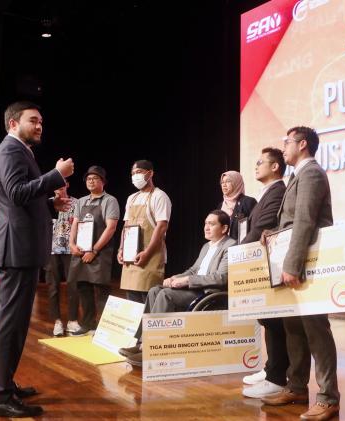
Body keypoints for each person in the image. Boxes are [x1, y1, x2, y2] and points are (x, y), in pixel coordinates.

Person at [0, 100, 74, 417]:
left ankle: (6, 385)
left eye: (41, 122)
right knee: (10, 325)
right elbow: (16, 193)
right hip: (16, 248)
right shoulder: (10, 151)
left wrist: (51, 202)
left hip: (21, 248)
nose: (39, 126)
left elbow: (22, 197)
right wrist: (56, 175)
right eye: (33, 120)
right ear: (13, 123)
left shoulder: (19, 151)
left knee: (16, 324)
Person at [261, 126, 339, 421]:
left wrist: (292, 264)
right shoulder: (297, 176)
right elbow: (291, 221)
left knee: (316, 331)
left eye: (287, 142)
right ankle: (296, 387)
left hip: (309, 264)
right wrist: (272, 232)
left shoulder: (312, 173)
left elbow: (305, 220)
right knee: (293, 327)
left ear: (303, 144)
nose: (283, 147)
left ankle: (328, 398)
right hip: (295, 261)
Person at [118, 209, 236, 366]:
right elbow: (193, 270)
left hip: (207, 293)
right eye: (205, 223)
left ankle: (152, 348)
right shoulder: (207, 246)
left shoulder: (230, 246)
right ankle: (141, 343)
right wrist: (176, 278)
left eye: (212, 224)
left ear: (224, 228)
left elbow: (221, 278)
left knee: (166, 295)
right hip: (194, 288)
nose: (206, 228)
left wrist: (187, 280)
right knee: (155, 290)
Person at [240, 147, 289, 399]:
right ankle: (271, 368)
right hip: (260, 262)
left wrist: (237, 252)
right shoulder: (267, 192)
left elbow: (263, 227)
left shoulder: (278, 191)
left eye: (261, 162)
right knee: (267, 319)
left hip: (270, 263)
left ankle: (276, 377)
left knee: (273, 320)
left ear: (275, 167)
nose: (256, 165)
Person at [68, 166, 120, 336]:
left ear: (103, 181)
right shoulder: (81, 201)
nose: (91, 181)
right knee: (83, 287)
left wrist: (95, 250)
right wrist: (71, 244)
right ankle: (87, 324)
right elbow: (75, 223)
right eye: (88, 179)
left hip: (100, 252)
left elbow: (111, 228)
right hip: (80, 250)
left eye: (95, 178)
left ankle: (105, 328)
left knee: (101, 290)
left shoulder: (109, 200)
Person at [118, 160, 171, 303]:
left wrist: (147, 253)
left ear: (150, 173)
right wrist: (121, 249)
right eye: (133, 173)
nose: (135, 176)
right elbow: (126, 226)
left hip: (151, 257)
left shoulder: (160, 196)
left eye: (139, 172)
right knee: (132, 304)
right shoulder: (131, 198)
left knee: (147, 301)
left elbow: (161, 227)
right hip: (131, 258)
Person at [46, 182, 81, 336]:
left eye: (62, 183)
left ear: (67, 184)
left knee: (73, 284)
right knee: (53, 286)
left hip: (71, 249)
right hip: (51, 250)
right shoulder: (48, 203)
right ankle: (57, 321)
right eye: (56, 183)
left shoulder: (76, 203)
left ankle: (73, 320)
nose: (59, 186)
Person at [218, 170, 256, 242]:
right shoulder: (220, 206)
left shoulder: (248, 202)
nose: (224, 185)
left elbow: (255, 227)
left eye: (228, 181)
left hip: (242, 246)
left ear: (236, 182)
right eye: (222, 182)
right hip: (223, 246)